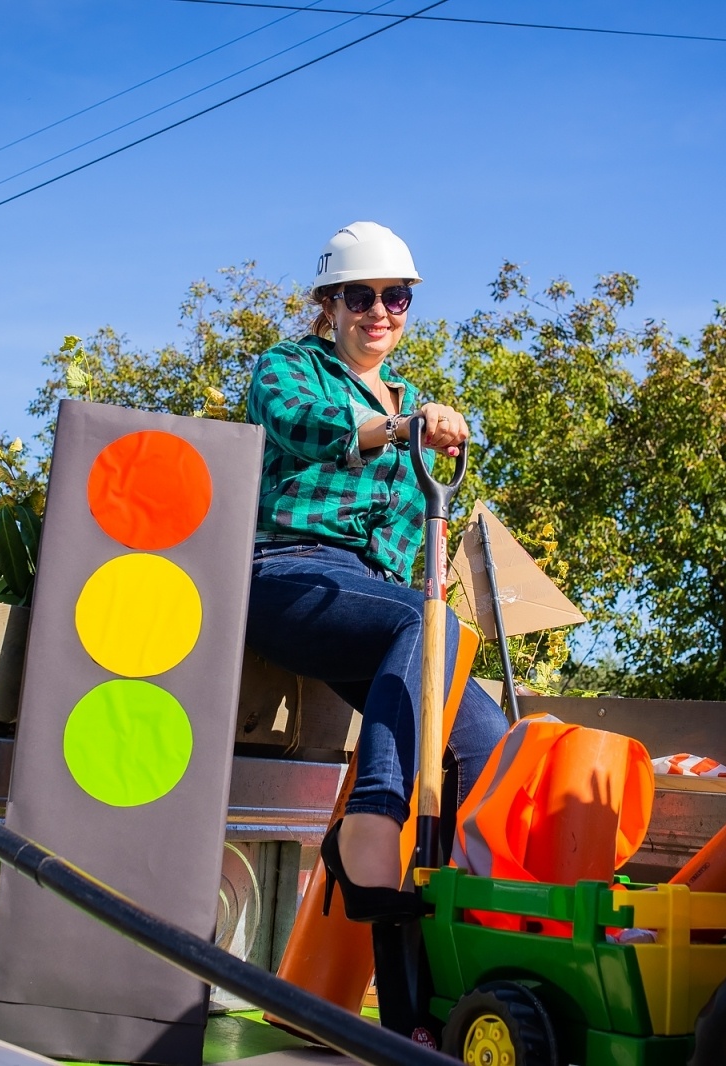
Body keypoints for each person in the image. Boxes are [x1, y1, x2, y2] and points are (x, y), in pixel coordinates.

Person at [243, 221, 509, 922]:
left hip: (373, 601)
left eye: (397, 298)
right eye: (360, 297)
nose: (380, 313)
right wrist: (399, 429)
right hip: (286, 574)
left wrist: (433, 555)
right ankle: (373, 817)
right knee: (423, 619)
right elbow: (302, 426)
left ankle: (453, 911)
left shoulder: (410, 395)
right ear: (328, 305)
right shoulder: (288, 366)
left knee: (484, 740)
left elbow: (403, 537)